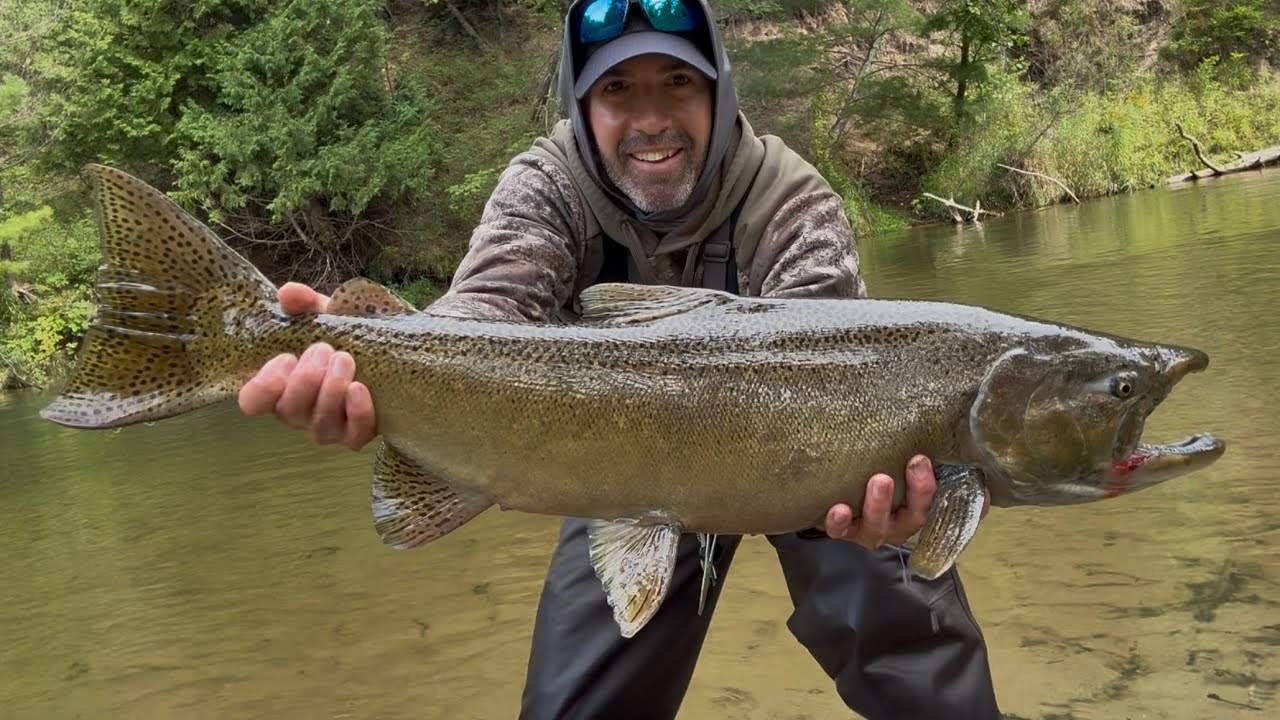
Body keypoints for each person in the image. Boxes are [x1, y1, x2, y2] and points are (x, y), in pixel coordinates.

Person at [238, 0, 1002, 717]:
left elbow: (849, 384)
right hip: (621, 465)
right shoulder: (547, 187)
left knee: (917, 644)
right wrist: (372, 361)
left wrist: (902, 509)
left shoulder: (789, 198)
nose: (651, 119)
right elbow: (482, 315)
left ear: (718, 91)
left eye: (677, 83)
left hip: (804, 466)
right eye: (617, 89)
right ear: (584, 106)